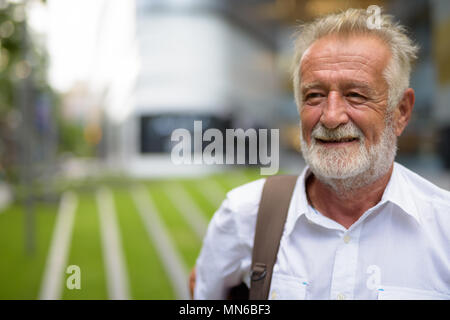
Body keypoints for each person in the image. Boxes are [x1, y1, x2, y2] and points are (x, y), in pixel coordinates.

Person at [192, 8, 450, 300]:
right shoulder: (244, 215)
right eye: (314, 95)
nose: (330, 117)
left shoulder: (443, 227)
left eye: (356, 95)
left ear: (401, 111)